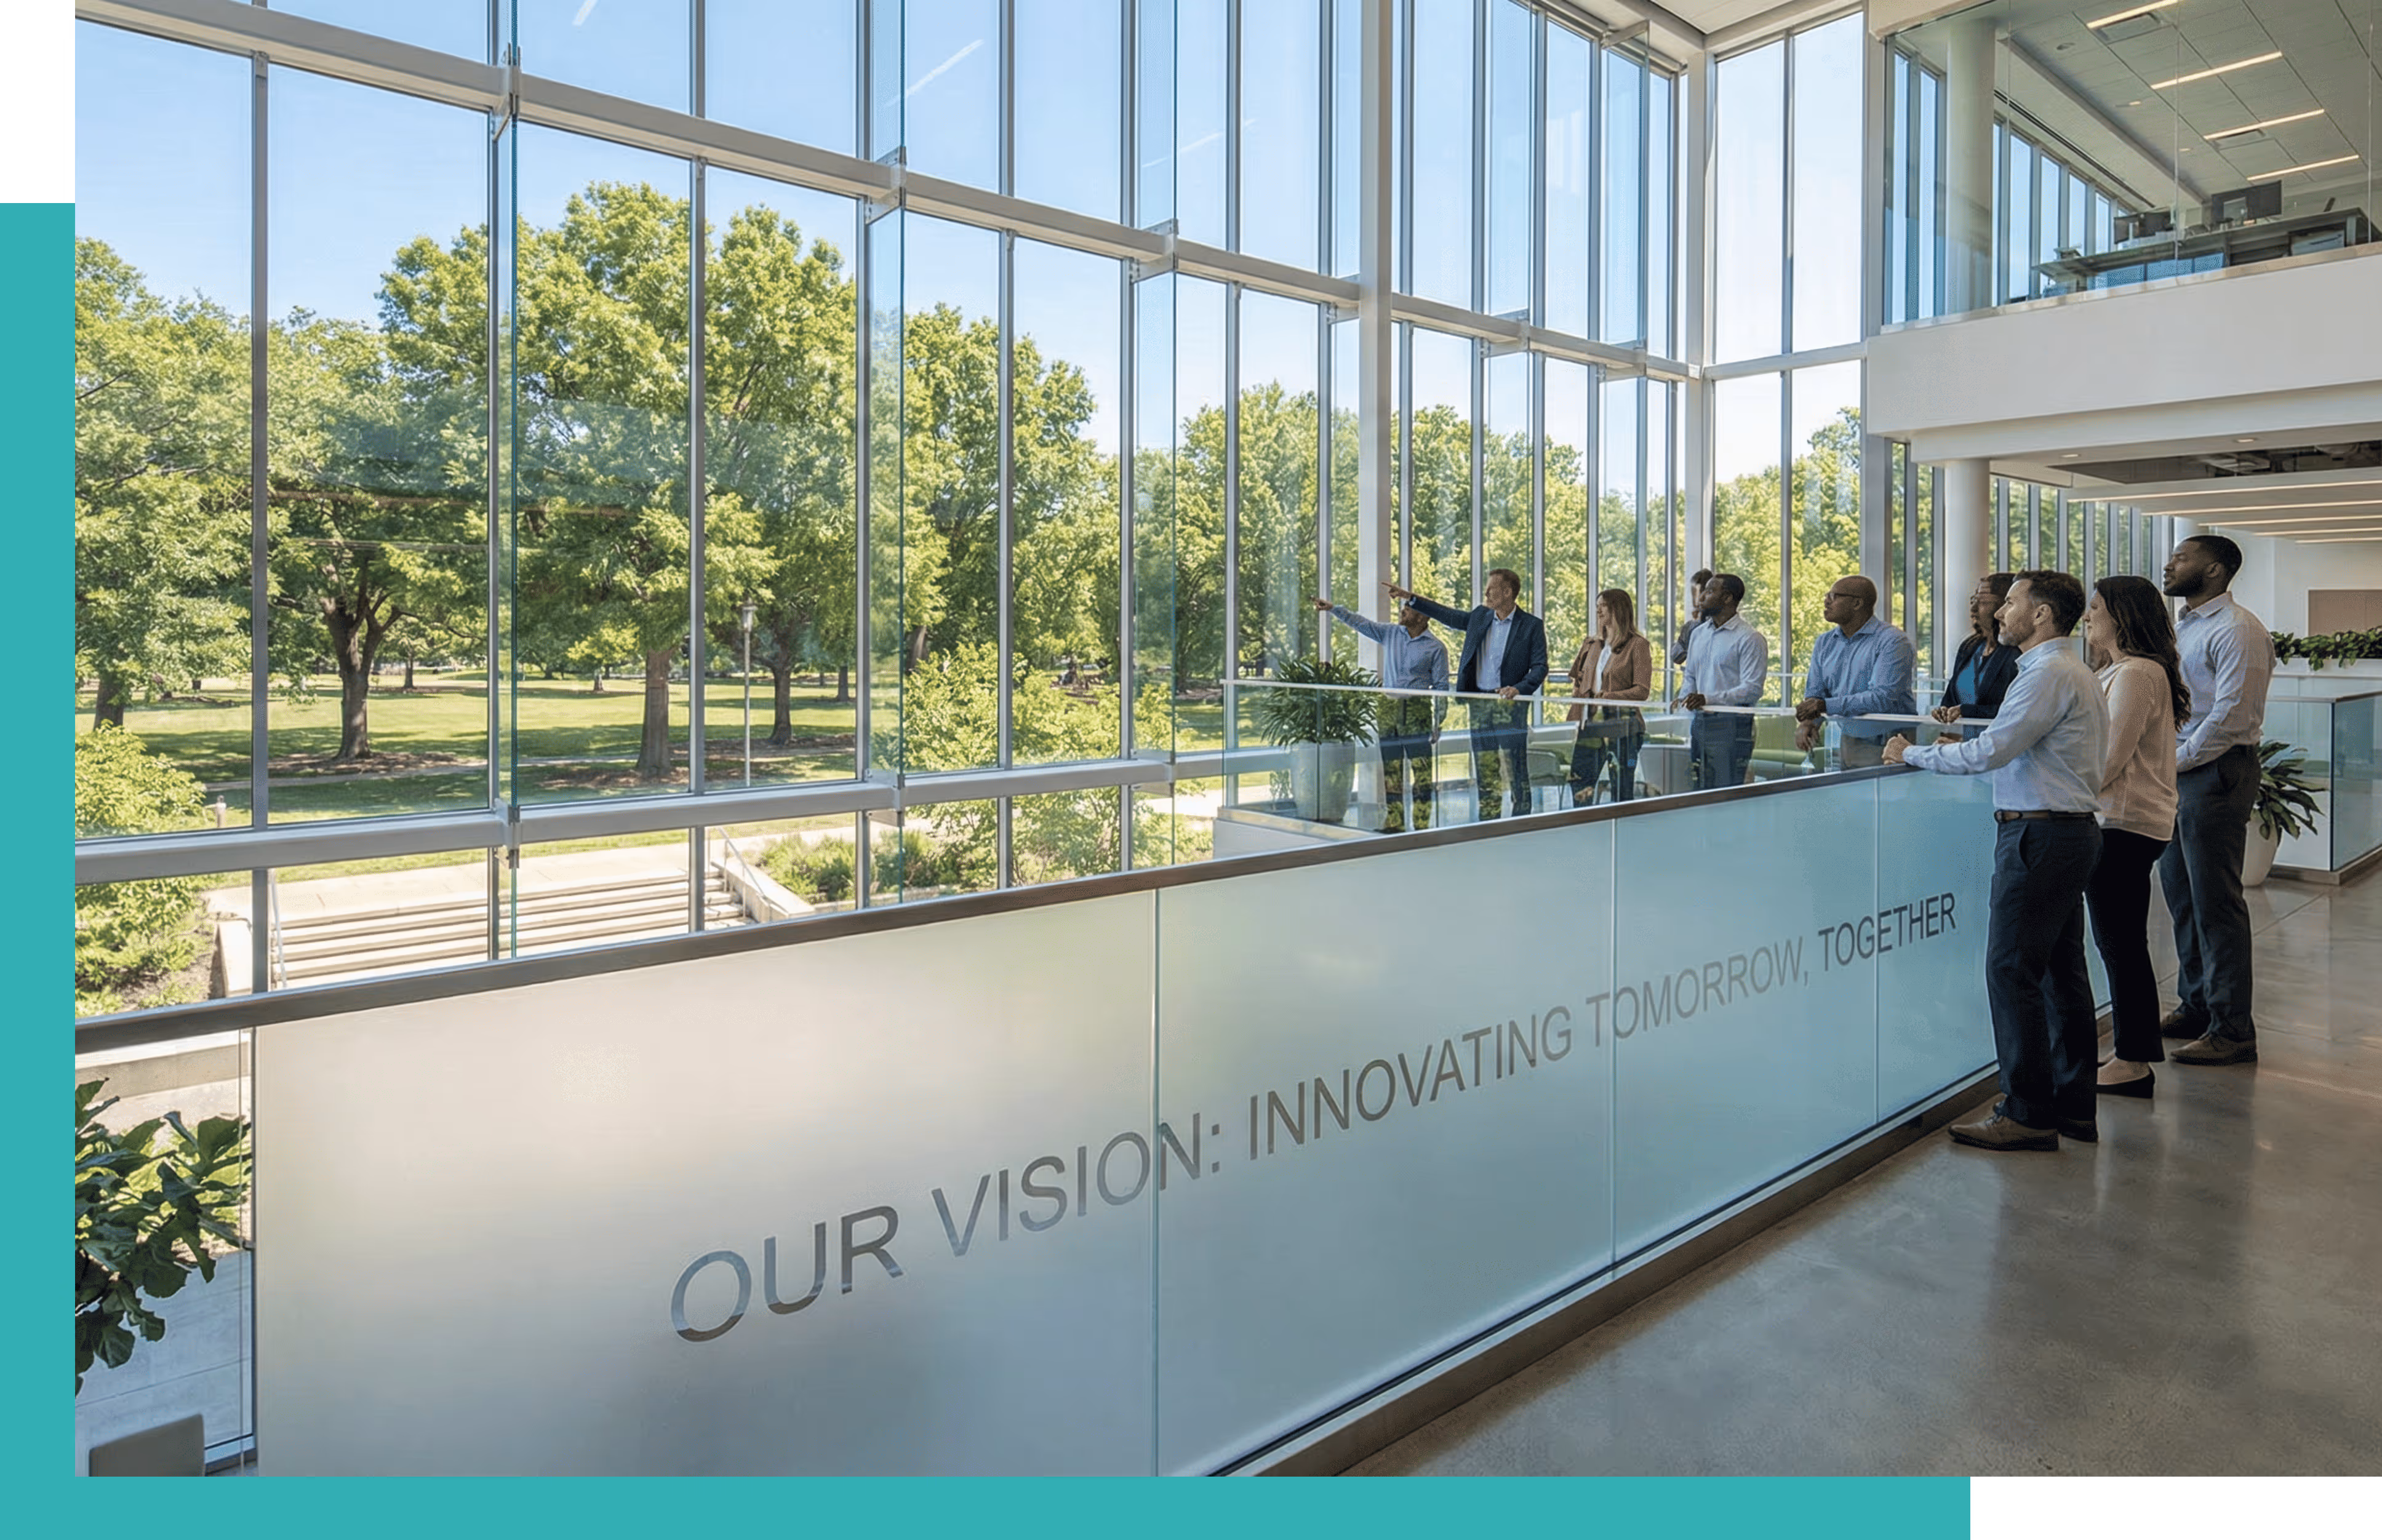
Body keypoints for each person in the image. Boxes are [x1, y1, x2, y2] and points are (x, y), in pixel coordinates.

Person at [1885, 571, 2108, 1151]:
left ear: (2040, 616)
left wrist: (1913, 754)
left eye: (2011, 602)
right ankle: (2071, 1107)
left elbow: (1992, 750)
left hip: (2040, 836)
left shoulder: (2047, 674)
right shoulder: (2064, 671)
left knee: (2011, 970)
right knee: (2061, 974)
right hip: (2063, 833)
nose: (1999, 610)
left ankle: (2028, 1112)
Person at [2157, 534, 2275, 1067]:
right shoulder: (2185, 627)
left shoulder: (2238, 630)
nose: (2169, 563)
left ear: (2213, 570)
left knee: (2215, 902)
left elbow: (2228, 718)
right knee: (2181, 894)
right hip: (2181, 771)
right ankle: (2197, 1003)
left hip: (2216, 772)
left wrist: (2171, 761)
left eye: (2180, 558)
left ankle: (2232, 1028)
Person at [2082, 575, 2186, 1099]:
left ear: (2121, 616)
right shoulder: (2123, 671)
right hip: (2123, 823)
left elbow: (2107, 758)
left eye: (2095, 609)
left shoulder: (2137, 674)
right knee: (2119, 942)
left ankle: (2133, 1059)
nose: (2087, 619)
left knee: (2120, 944)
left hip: (2122, 824)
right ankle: (2131, 1053)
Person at [1388, 568, 1549, 821]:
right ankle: (1489, 821)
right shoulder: (1480, 616)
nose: (1486, 593)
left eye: (1491, 588)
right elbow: (1448, 616)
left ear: (1507, 592)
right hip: (1480, 703)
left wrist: (1519, 688)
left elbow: (1540, 666)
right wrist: (1411, 597)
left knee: (1515, 766)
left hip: (1510, 705)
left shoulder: (1530, 626)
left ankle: (1521, 820)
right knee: (1485, 768)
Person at [1316, 593, 1450, 832]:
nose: (1402, 612)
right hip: (1388, 709)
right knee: (1391, 771)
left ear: (1422, 617)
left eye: (1407, 610)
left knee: (1422, 774)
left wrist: (1438, 722)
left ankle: (1422, 827)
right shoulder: (1389, 634)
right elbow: (1361, 623)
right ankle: (1395, 824)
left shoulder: (1436, 647)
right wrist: (1334, 609)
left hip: (1417, 711)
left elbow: (1441, 687)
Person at [1795, 575, 1916, 769]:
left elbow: (1882, 698)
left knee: (1886, 799)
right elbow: (1816, 692)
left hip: (1889, 741)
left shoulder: (1892, 641)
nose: (1826, 601)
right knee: (1850, 799)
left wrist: (1823, 706)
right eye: (1827, 595)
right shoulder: (1825, 642)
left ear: (1857, 603)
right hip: (1848, 738)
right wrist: (1810, 721)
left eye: (1834, 596)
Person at [1673, 573, 1767, 792]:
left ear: (1727, 598)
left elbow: (1752, 689)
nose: (1702, 597)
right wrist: (1683, 702)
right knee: (1699, 788)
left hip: (1732, 725)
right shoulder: (1698, 634)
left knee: (1725, 793)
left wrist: (1708, 699)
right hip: (1700, 723)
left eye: (1710, 591)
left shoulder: (1750, 638)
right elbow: (1691, 676)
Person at [1565, 588, 1653, 804]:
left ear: (1618, 609)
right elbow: (1578, 681)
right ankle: (1584, 830)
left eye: (1602, 605)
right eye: (1597, 606)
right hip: (1592, 726)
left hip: (1624, 728)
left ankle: (1623, 833)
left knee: (1621, 789)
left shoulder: (1638, 645)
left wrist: (1608, 696)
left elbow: (1642, 691)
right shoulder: (1592, 645)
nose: (1598, 610)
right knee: (1579, 784)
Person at [1932, 573, 2021, 733]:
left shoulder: (2018, 652)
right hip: (1965, 746)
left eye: (1983, 602)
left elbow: (2015, 712)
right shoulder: (1970, 646)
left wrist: (1966, 711)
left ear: (2005, 606)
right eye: (1974, 600)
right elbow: (1951, 699)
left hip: (1999, 747)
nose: (1974, 608)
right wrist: (1943, 712)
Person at [1671, 569, 1714, 668]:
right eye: (1694, 594)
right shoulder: (1691, 626)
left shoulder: (1716, 624)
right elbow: (1676, 657)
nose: (1697, 601)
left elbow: (1676, 656)